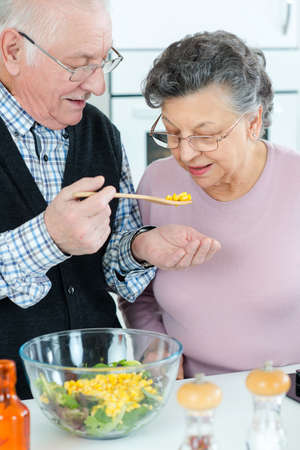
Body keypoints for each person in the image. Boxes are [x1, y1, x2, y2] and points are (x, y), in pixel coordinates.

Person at [0, 0, 221, 399]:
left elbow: (108, 266)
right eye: (78, 64)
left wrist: (140, 247)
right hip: (10, 402)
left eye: (103, 61)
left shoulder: (101, 133)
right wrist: (49, 239)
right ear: (13, 50)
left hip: (101, 390)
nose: (97, 85)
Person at [120, 30, 300, 378]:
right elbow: (137, 291)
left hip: (286, 395)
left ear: (253, 122)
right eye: (172, 133)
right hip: (186, 394)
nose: (186, 153)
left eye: (205, 135)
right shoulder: (157, 184)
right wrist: (154, 347)